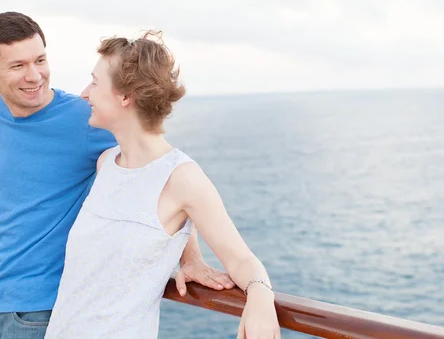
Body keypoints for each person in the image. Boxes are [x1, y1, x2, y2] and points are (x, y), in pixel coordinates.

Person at [0, 12, 234, 339]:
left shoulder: (86, 119)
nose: (34, 75)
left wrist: (191, 258)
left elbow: (159, 170)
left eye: (40, 60)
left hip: (39, 312)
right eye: (18, 66)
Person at [44, 31, 281, 338]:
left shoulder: (182, 176)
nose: (85, 93)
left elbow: (240, 258)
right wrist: (189, 256)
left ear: (126, 96)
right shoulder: (105, 164)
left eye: (95, 82)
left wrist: (261, 296)